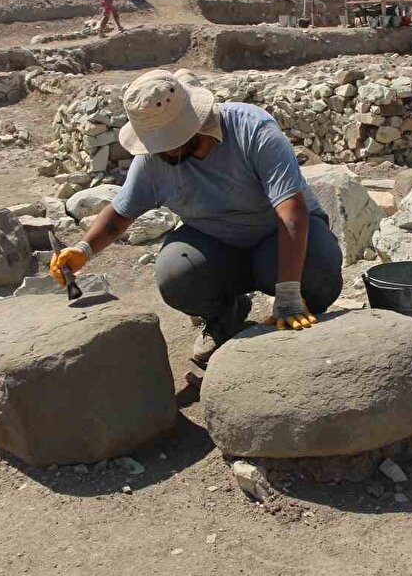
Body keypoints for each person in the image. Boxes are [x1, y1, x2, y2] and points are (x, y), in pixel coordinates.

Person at [50, 69, 344, 368]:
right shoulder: (154, 159)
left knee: (318, 270)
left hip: (277, 239)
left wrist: (289, 292)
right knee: (176, 273)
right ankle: (225, 316)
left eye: (165, 143)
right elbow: (120, 215)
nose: (157, 150)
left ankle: (303, 323)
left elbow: (292, 212)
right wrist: (83, 250)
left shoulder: (251, 128)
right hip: (217, 246)